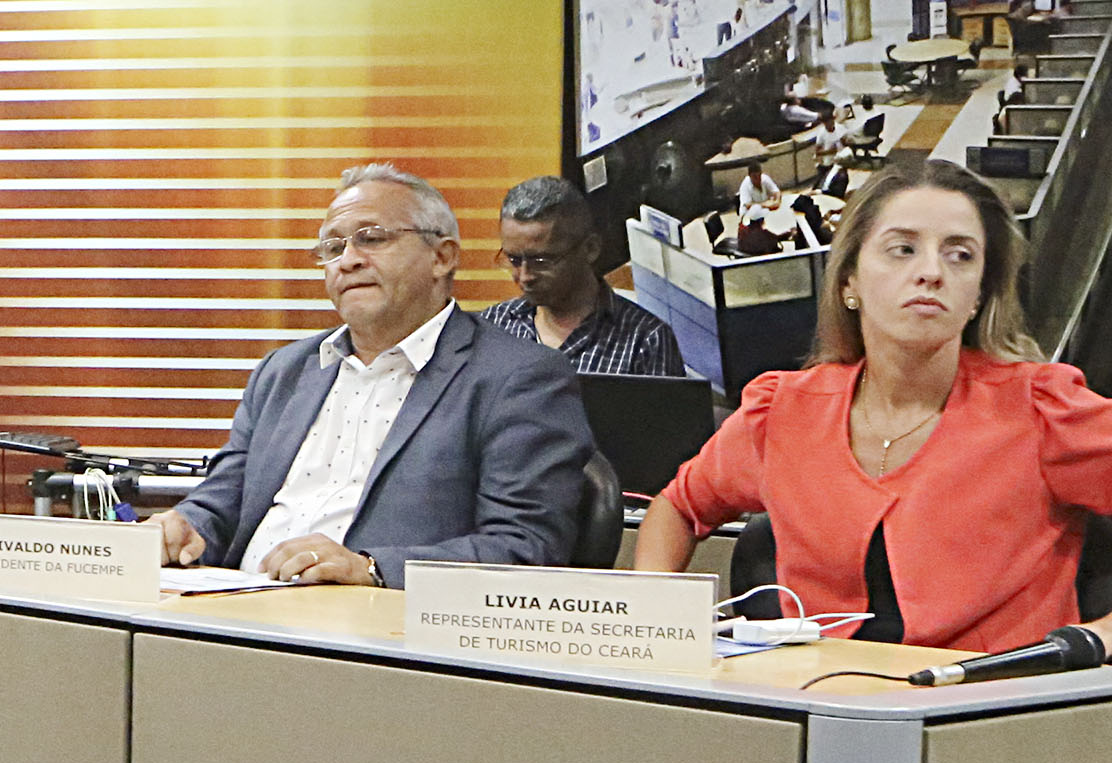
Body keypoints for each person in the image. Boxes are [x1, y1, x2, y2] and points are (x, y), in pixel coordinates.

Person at [632, 163, 1112, 652]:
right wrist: (655, 623)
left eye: (960, 256)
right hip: (813, 691)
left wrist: (1102, 636)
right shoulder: (781, 411)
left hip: (997, 696)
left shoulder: (1044, 410)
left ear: (978, 297)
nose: (931, 272)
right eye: (902, 249)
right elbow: (679, 507)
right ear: (849, 282)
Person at [151, 164, 596, 587]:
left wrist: (371, 568)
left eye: (371, 239)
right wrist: (185, 527)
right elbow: (222, 500)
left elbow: (527, 547)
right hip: (231, 609)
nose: (347, 260)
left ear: (442, 257)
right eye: (332, 248)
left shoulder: (518, 378)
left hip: (378, 625)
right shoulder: (282, 371)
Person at [478, 176, 687, 376]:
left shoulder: (646, 341)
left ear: (590, 249)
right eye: (514, 260)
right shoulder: (492, 326)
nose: (525, 276)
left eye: (541, 261)